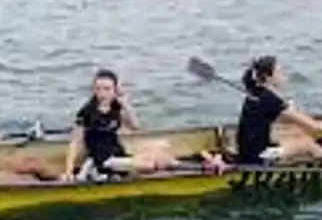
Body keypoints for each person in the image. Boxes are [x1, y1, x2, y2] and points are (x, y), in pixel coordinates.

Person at [63, 69, 224, 181]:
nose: (102, 93)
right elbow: (75, 142)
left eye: (107, 89)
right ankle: (204, 168)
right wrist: (69, 172)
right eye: (98, 89)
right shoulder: (87, 112)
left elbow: (135, 126)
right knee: (150, 164)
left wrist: (125, 102)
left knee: (163, 151)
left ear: (115, 90)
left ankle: (201, 167)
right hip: (104, 161)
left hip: (119, 154)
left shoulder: (116, 107)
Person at [235, 55, 322, 165]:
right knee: (306, 143)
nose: (283, 75)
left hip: (248, 150)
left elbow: (289, 117)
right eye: (279, 72)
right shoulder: (270, 99)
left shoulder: (255, 93)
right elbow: (313, 126)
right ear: (268, 77)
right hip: (258, 156)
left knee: (297, 134)